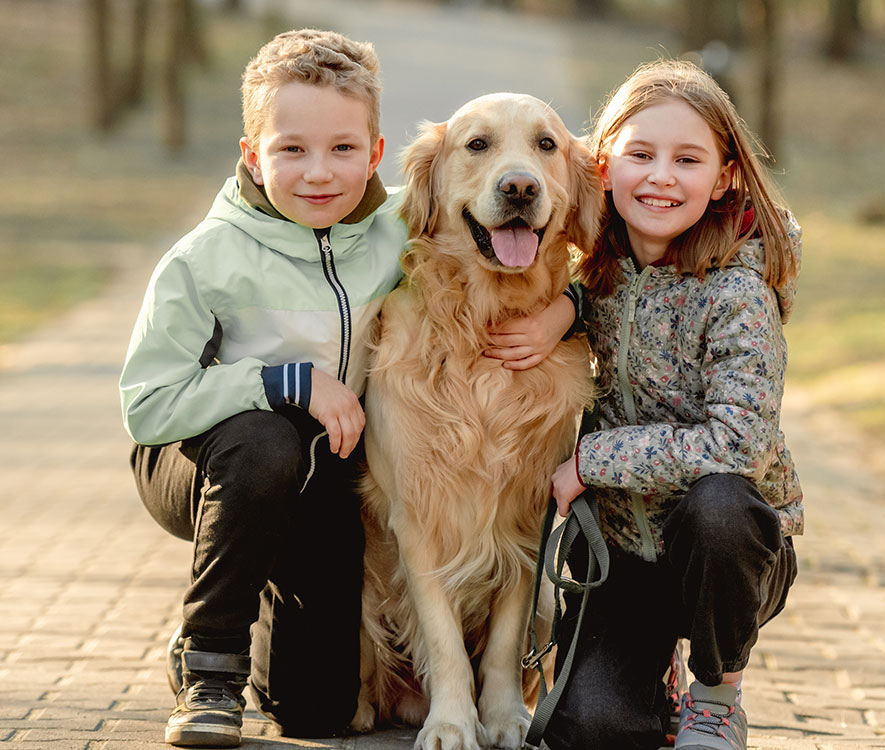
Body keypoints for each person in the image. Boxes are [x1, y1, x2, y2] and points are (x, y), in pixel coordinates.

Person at [119, 29, 575, 748]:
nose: (319, 173)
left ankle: (278, 613)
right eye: (291, 150)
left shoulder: (402, 223)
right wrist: (285, 383)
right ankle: (207, 663)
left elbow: (533, 235)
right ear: (252, 155)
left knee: (321, 712)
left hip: (322, 475)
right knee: (263, 444)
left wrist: (566, 307)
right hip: (200, 456)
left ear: (377, 156)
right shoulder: (202, 259)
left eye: (341, 149)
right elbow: (146, 404)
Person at [544, 59, 804, 750]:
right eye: (641, 154)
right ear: (604, 165)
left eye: (687, 160)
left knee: (719, 502)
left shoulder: (736, 292)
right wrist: (562, 307)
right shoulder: (587, 263)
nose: (660, 176)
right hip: (624, 553)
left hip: (731, 554)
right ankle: (647, 676)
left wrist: (590, 459)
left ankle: (717, 692)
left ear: (723, 178)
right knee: (592, 729)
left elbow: (739, 444)